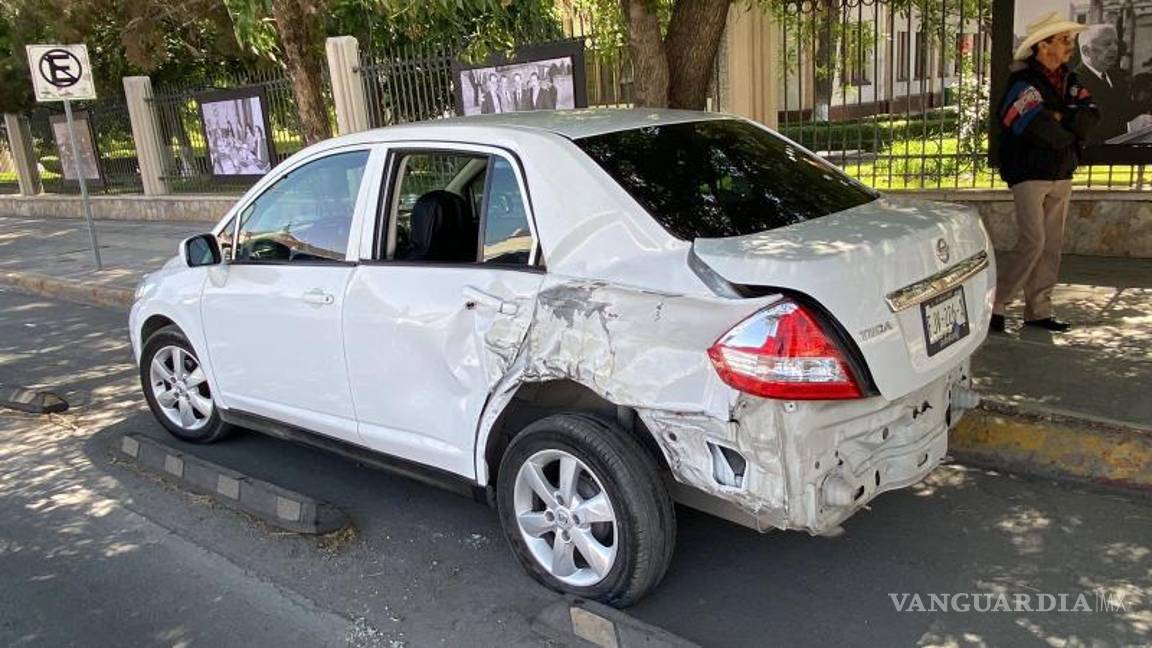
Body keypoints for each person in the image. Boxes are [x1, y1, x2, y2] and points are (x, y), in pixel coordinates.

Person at [992, 12, 1099, 333]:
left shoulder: (1071, 80)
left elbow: (1092, 115)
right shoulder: (1021, 83)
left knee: (1051, 246)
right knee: (1033, 242)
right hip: (1029, 174)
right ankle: (997, 303)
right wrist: (1070, 124)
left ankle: (1038, 311)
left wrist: (1059, 115)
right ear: (1043, 46)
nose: (1070, 46)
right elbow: (1038, 128)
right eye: (1064, 40)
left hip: (1062, 172)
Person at [1074, 24, 1152, 143]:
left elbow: (1125, 110)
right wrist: (1128, 127)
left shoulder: (1117, 76)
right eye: (1107, 44)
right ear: (1086, 51)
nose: (1114, 48)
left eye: (1116, 43)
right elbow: (1087, 131)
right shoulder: (1075, 81)